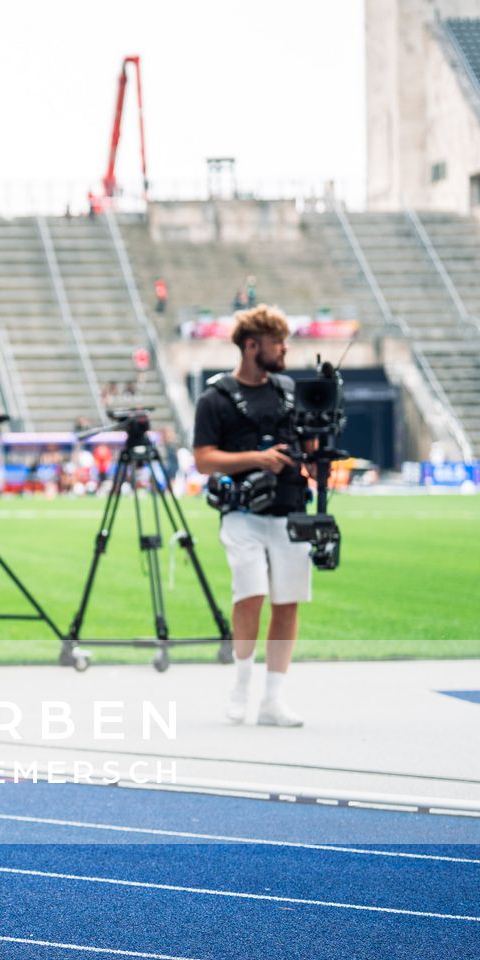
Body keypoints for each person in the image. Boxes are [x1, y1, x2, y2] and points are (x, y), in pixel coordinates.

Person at [191, 305, 316, 729]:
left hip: (290, 510)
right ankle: (241, 685)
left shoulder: (290, 392)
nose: (284, 350)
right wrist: (256, 458)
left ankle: (273, 699)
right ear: (251, 345)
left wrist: (316, 445)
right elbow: (204, 459)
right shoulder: (215, 398)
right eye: (277, 342)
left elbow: (310, 450)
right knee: (251, 592)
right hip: (241, 512)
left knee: (288, 601)